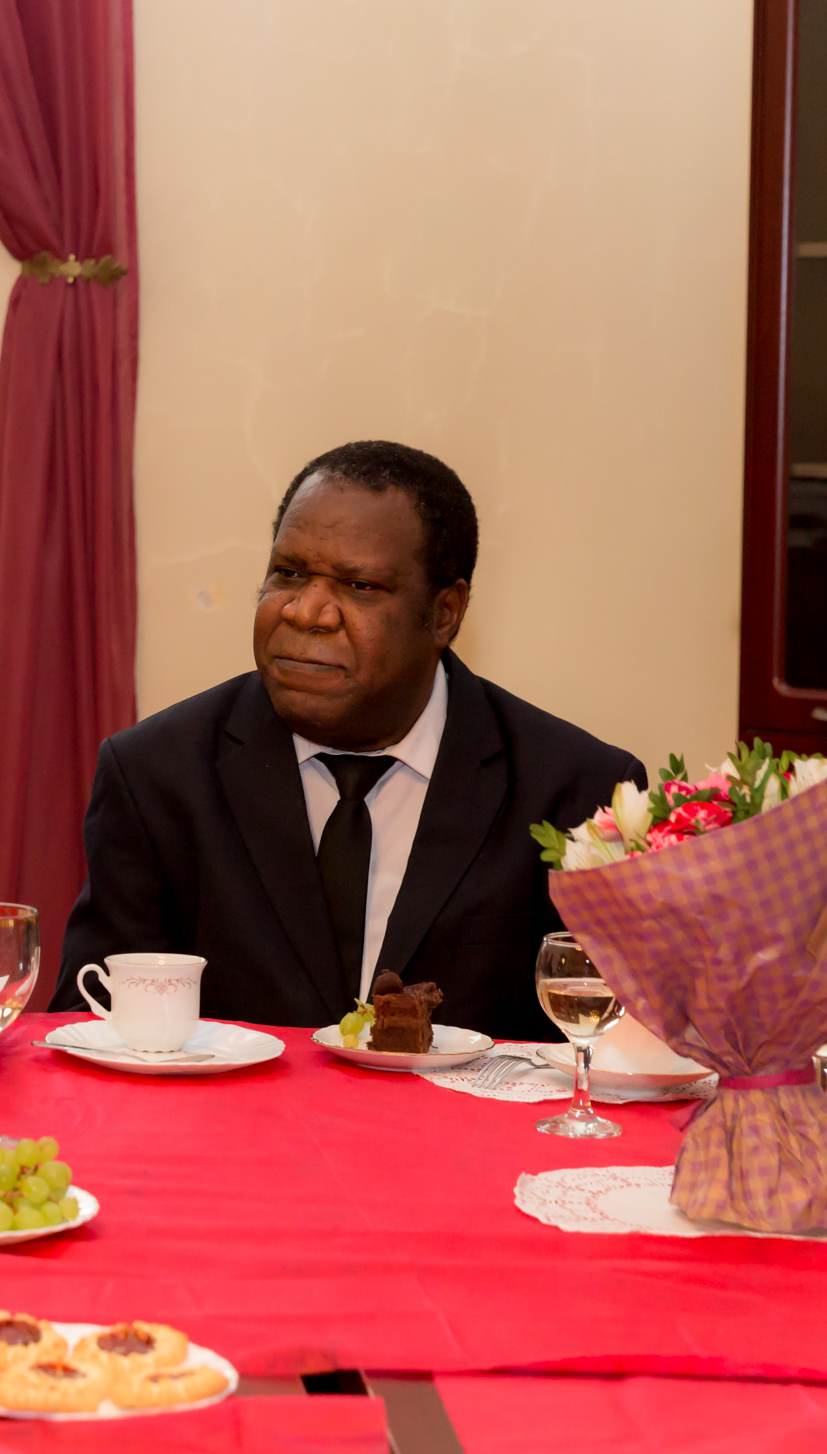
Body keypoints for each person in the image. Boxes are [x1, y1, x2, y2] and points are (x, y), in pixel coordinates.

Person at [56, 441, 645, 1041]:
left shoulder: (578, 793)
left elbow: (618, 1047)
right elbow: (88, 1024)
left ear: (444, 614)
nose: (307, 611)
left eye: (359, 585)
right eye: (288, 573)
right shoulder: (156, 774)